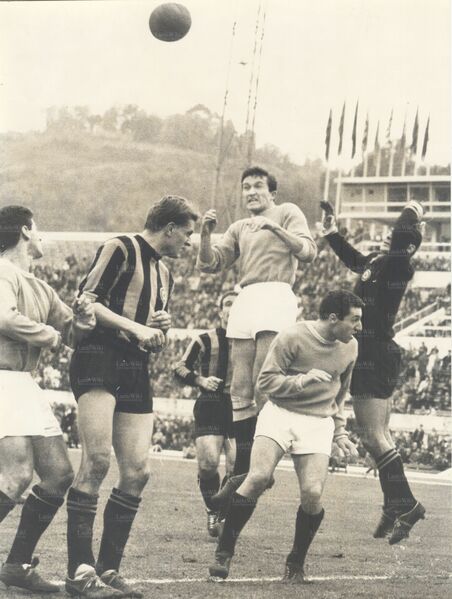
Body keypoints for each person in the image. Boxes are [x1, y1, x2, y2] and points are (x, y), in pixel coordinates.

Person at [66, 196, 198, 598]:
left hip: (135, 364)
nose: (189, 242)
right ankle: (79, 573)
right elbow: (86, 303)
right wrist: (137, 328)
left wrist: (159, 327)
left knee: (138, 471)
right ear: (169, 228)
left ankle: (108, 570)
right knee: (97, 460)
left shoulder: (165, 274)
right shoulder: (120, 247)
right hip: (99, 355)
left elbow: (152, 332)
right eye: (187, 233)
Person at [209, 290, 362, 582]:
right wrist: (302, 380)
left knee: (313, 493)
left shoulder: (351, 347)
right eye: (354, 319)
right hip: (280, 413)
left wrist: (340, 431)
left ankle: (295, 563)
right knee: (258, 477)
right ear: (333, 318)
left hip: (318, 421)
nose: (359, 326)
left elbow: (341, 393)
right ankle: (224, 552)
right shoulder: (292, 336)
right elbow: (265, 382)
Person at [197, 166, 317, 481]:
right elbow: (209, 265)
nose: (251, 191)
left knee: (263, 382)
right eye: (246, 187)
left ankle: (265, 461)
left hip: (276, 293)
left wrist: (274, 228)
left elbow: (308, 252)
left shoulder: (287, 212)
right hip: (246, 296)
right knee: (239, 389)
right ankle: (244, 466)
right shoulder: (239, 227)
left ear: (271, 192)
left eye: (258, 186)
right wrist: (206, 234)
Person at [0, 205, 95, 593]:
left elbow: (72, 333)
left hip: (24, 383)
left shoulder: (41, 287)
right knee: (16, 475)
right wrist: (49, 335)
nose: (40, 236)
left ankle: (16, 565)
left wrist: (84, 319)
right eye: (37, 229)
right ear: (25, 230)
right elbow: (4, 317)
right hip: (2, 379)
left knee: (58, 475)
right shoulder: (2, 272)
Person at [322, 200, 426, 544]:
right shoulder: (378, 262)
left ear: (404, 245)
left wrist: (412, 211)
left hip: (375, 352)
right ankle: (393, 505)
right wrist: (332, 234)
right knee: (380, 436)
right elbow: (355, 259)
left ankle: (407, 504)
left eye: (392, 236)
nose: (386, 237)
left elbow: (403, 233)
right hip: (376, 352)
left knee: (372, 438)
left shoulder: (398, 265)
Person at [173, 290, 237, 537]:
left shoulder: (252, 343)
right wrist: (200, 380)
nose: (232, 308)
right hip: (211, 403)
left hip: (240, 405)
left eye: (237, 304)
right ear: (220, 311)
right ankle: (213, 508)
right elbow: (179, 368)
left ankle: (222, 515)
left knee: (236, 467)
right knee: (208, 464)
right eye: (228, 304)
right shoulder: (204, 340)